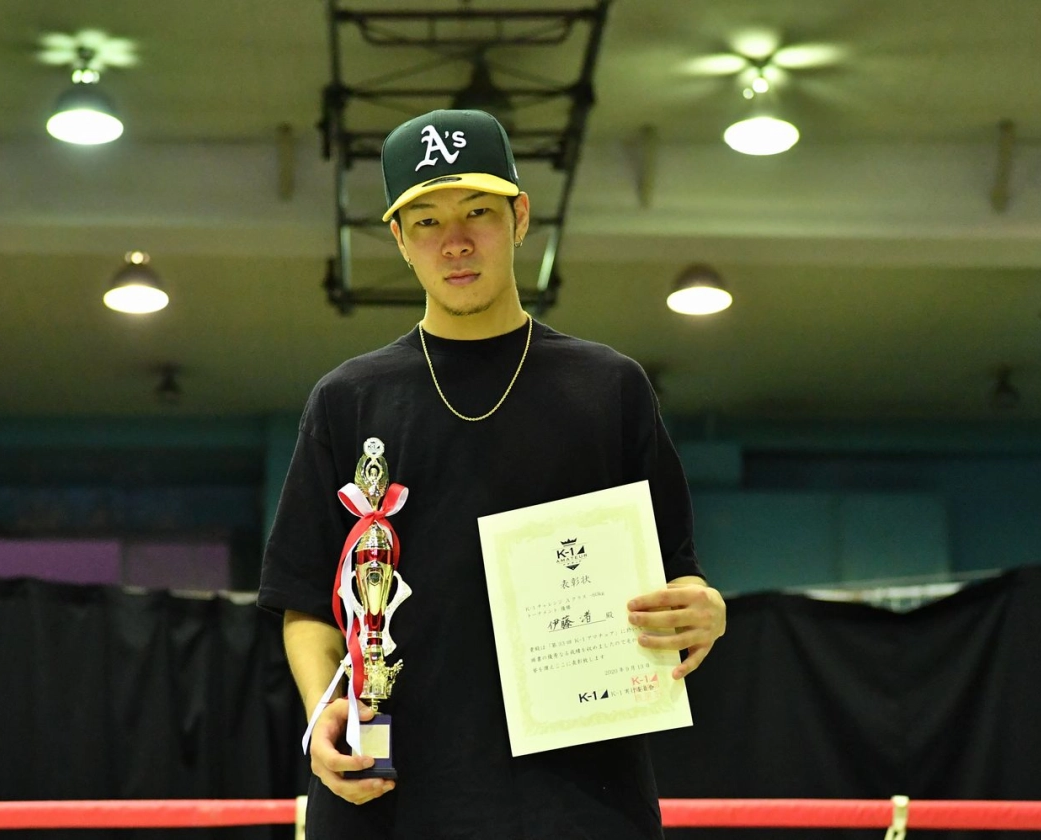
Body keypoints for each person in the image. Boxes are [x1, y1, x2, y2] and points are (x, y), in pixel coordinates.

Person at [259, 109, 726, 840]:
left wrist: (704, 610)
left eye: (477, 211)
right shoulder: (348, 400)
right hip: (389, 792)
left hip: (579, 798)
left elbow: (678, 574)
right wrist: (325, 711)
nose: (455, 241)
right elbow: (304, 598)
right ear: (399, 239)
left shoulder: (608, 388)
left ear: (520, 217)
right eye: (426, 221)